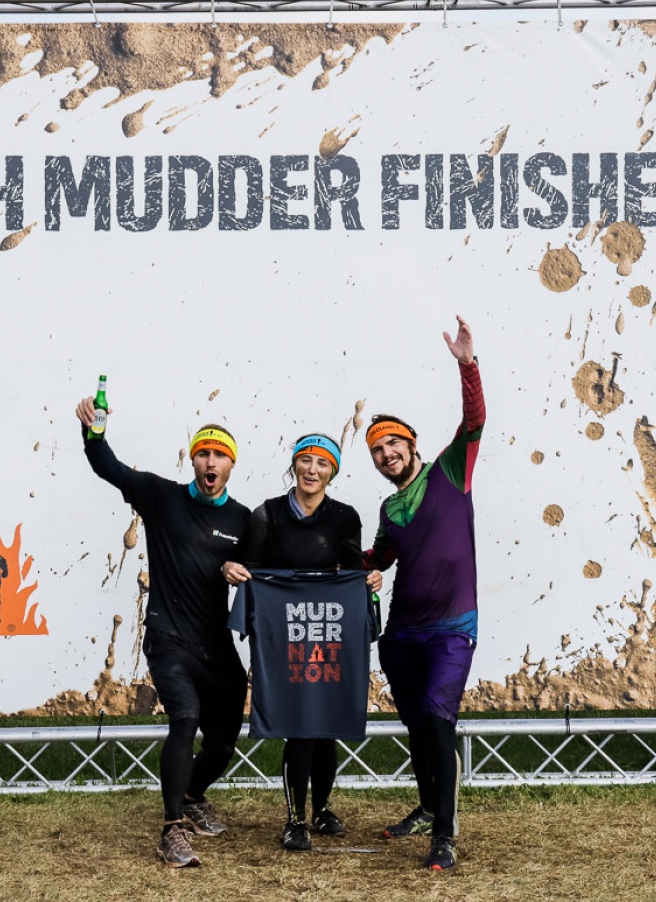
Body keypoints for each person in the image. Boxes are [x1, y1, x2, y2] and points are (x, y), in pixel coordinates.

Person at [76, 396, 250, 869]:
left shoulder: (242, 519)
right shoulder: (161, 496)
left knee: (223, 742)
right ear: (193, 460)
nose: (210, 462)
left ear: (231, 464)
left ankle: (192, 796)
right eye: (203, 453)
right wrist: (93, 432)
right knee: (185, 719)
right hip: (168, 637)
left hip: (216, 644)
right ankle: (172, 828)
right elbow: (108, 466)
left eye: (219, 455)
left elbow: (268, 569)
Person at [220, 434, 381, 852]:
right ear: (294, 465)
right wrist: (231, 569)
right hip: (286, 635)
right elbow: (250, 572)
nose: (312, 469)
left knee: (326, 725)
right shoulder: (267, 515)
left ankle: (323, 809)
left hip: (328, 632)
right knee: (299, 727)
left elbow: (353, 572)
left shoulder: (345, 516)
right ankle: (295, 820)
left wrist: (369, 581)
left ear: (332, 472)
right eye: (305, 460)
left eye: (322, 463)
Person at [363, 315, 484, 872]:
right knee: (416, 725)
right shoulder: (389, 509)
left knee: (439, 721)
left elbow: (474, 420)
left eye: (394, 444)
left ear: (411, 446)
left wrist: (467, 365)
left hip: (452, 629)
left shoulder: (450, 471)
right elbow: (377, 558)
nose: (387, 454)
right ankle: (427, 804)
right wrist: (322, 558)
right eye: (378, 451)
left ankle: (444, 833)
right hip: (401, 633)